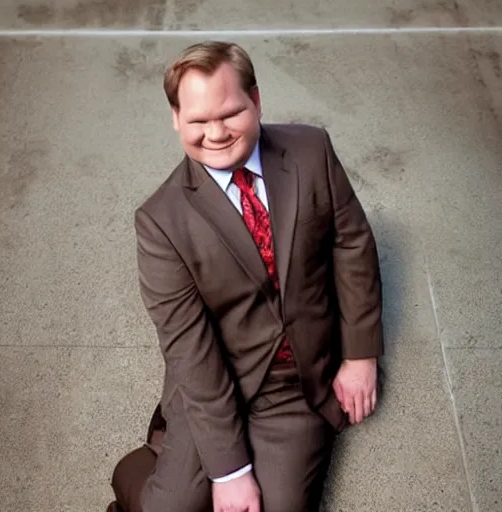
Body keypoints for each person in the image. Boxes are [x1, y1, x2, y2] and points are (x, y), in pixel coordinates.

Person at [107, 40, 383, 512]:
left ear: (255, 101)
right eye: (197, 120)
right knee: (171, 507)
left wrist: (360, 355)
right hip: (216, 377)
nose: (215, 133)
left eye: (230, 112)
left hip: (294, 383)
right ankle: (141, 468)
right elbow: (189, 348)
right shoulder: (160, 221)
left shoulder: (311, 149)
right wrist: (230, 473)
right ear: (176, 118)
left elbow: (352, 245)